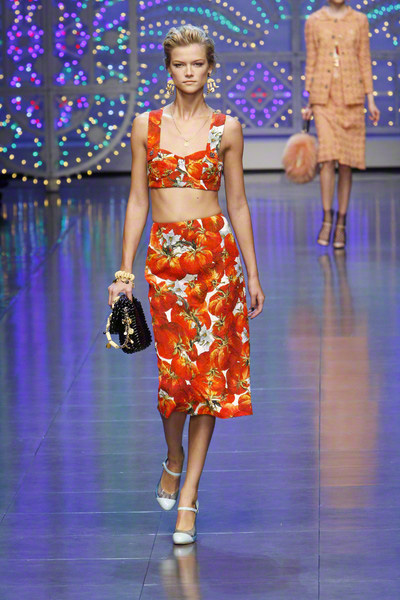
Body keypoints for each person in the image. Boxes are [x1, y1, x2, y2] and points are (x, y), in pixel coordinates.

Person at [108, 25, 264, 545]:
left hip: (216, 263)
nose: (190, 72)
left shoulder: (228, 129)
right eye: (181, 64)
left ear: (210, 67)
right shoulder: (145, 126)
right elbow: (137, 199)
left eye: (198, 63)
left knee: (207, 383)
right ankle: (172, 456)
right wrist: (124, 273)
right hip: (165, 263)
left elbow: (238, 202)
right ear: (169, 69)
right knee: (174, 381)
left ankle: (190, 496)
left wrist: (253, 272)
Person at [303, 0, 380, 249]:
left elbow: (364, 59)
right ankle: (327, 218)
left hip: (352, 98)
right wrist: (308, 101)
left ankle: (342, 224)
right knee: (327, 158)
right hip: (323, 99)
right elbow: (311, 61)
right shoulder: (313, 21)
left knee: (346, 162)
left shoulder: (359, 20)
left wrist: (371, 99)